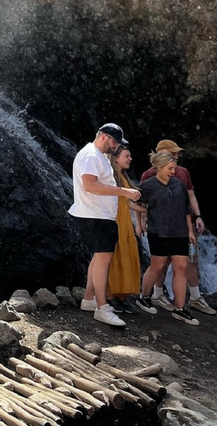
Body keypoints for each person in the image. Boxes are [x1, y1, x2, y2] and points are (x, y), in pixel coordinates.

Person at [70, 123, 141, 327]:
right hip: (95, 216)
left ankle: (89, 299)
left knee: (98, 258)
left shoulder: (95, 155)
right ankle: (102, 307)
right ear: (103, 137)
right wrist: (124, 192)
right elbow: (90, 185)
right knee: (103, 259)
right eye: (115, 142)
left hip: (97, 215)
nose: (116, 146)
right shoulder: (91, 155)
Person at [139, 140, 215, 315]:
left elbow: (189, 199)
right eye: (173, 153)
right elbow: (141, 200)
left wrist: (197, 218)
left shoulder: (182, 175)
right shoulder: (148, 177)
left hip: (182, 227)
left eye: (177, 153)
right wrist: (144, 218)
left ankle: (190, 301)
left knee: (187, 262)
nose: (177, 156)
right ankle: (154, 295)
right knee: (160, 264)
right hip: (160, 229)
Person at [135, 151, 199, 325]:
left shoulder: (179, 185)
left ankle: (180, 309)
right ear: (159, 167)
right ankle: (144, 297)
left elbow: (186, 209)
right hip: (158, 232)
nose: (173, 171)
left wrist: (190, 231)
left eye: (174, 168)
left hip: (179, 232)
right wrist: (146, 214)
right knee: (157, 266)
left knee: (181, 267)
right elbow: (131, 203)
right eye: (170, 168)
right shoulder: (147, 185)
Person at [106, 146, 145, 314]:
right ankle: (110, 295)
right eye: (126, 156)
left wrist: (145, 212)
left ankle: (122, 295)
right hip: (114, 219)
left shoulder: (123, 177)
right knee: (115, 256)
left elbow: (127, 202)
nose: (130, 159)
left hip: (125, 221)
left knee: (126, 255)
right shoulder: (109, 177)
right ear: (116, 158)